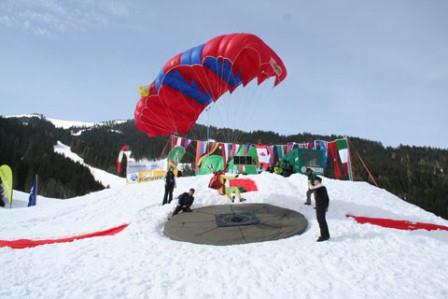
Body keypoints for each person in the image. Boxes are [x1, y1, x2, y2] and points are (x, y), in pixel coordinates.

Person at [310, 177, 330, 241]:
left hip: (321, 207)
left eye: (315, 181)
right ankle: (326, 235)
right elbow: (327, 198)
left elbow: (311, 188)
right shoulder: (321, 187)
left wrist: (309, 183)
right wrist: (326, 206)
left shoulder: (320, 186)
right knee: (322, 221)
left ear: (318, 181)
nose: (314, 182)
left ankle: (324, 236)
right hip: (321, 206)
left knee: (321, 221)